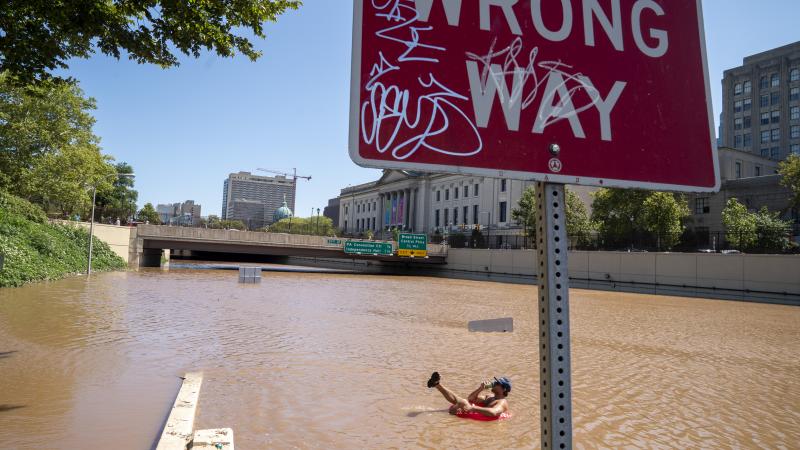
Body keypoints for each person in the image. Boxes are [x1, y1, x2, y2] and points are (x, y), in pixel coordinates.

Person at [427, 372, 510, 418]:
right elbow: (470, 399)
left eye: (497, 383)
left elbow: (494, 412)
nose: (494, 383)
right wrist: (480, 388)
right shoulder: (490, 396)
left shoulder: (502, 402)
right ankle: (437, 384)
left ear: (504, 389)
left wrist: (473, 408)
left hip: (487, 417)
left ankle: (440, 412)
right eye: (494, 382)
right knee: (461, 400)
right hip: (478, 411)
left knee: (463, 402)